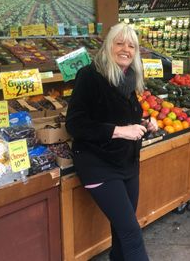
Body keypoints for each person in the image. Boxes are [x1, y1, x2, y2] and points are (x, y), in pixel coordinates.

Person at [66, 23, 157, 260]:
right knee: (132, 233)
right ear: (108, 46)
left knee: (121, 231)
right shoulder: (89, 76)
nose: (126, 49)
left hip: (127, 163)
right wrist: (118, 131)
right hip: (98, 164)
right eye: (119, 43)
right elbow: (75, 125)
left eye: (131, 45)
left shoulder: (130, 77)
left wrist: (145, 125)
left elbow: (126, 122)